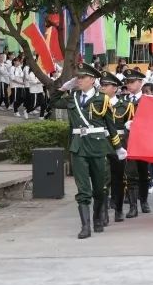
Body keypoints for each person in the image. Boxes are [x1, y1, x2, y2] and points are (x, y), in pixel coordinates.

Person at [50, 62, 126, 239]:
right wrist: (62, 88)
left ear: (92, 80)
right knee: (83, 189)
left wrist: (118, 147)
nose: (79, 80)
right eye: (78, 77)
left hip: (98, 147)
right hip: (78, 147)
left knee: (99, 189)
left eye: (82, 78)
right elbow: (53, 102)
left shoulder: (102, 99)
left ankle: (98, 217)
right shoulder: (73, 97)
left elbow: (110, 126)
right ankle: (85, 226)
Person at [99, 71, 128, 223]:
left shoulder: (125, 105)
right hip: (101, 143)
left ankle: (118, 209)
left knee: (118, 178)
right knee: (103, 178)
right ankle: (103, 212)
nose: (102, 87)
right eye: (101, 85)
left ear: (115, 88)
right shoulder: (96, 102)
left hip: (119, 145)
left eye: (106, 85)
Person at [123, 69, 152, 217]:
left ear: (140, 83)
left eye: (131, 82)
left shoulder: (148, 100)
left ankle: (144, 201)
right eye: (127, 82)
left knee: (144, 173)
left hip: (143, 141)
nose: (128, 85)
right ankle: (133, 206)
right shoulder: (123, 100)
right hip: (128, 141)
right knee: (131, 173)